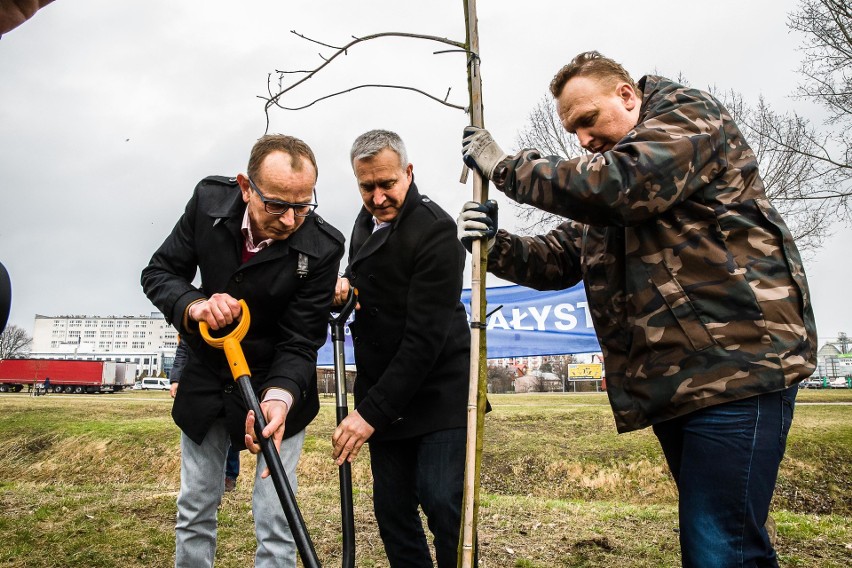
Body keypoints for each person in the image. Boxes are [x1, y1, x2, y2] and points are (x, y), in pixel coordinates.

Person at [458, 51, 817, 568]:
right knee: (726, 539)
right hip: (682, 384)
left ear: (627, 95)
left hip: (739, 369)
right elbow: (562, 257)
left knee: (720, 546)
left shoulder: (687, 119)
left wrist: (506, 167)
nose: (581, 139)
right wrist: (495, 244)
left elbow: (617, 185)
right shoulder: (617, 188)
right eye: (572, 130)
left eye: (588, 120)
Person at [141, 134, 344, 568]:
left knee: (276, 518)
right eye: (276, 205)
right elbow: (160, 272)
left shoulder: (324, 246)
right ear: (246, 187)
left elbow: (301, 338)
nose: (291, 220)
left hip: (278, 388)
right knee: (195, 507)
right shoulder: (209, 202)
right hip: (209, 376)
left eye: (303, 204)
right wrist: (194, 306)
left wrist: (280, 396)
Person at [332, 129, 472, 567]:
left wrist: (367, 416)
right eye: (366, 186)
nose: (377, 198)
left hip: (439, 391)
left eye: (386, 184)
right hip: (384, 387)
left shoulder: (437, 230)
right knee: (392, 510)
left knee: (442, 504)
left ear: (409, 173)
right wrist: (346, 290)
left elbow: (423, 340)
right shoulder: (362, 221)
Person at [170, 339, 241, 492]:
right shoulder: (191, 326)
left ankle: (230, 476)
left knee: (233, 436)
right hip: (204, 387)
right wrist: (176, 379)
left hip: (236, 380)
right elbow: (183, 349)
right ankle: (205, 483)